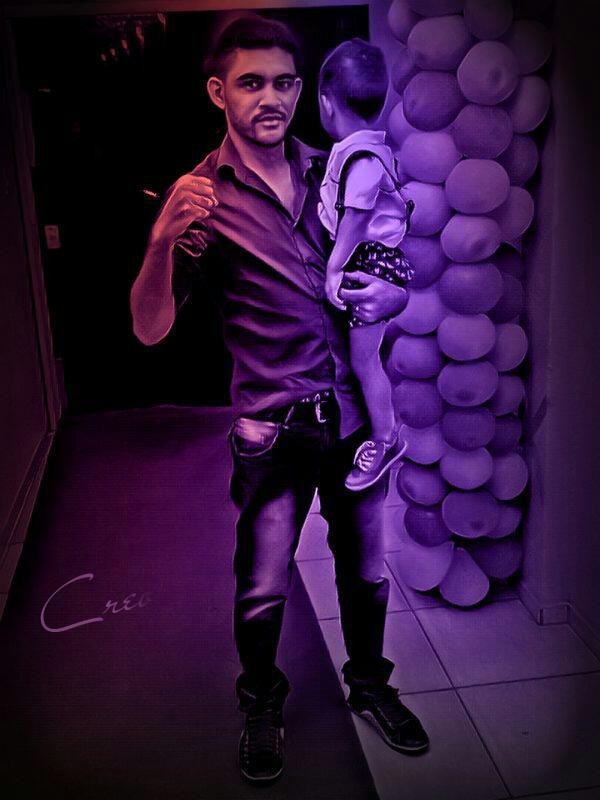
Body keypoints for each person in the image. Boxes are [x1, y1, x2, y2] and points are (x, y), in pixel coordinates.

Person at [130, 14, 429, 785]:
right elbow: (150, 330)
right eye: (252, 82)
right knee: (262, 587)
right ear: (218, 91)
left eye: (285, 82)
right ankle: (261, 707)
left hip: (352, 421)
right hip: (272, 430)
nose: (271, 97)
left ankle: (371, 686)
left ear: (304, 90)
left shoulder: (337, 170)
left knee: (366, 574)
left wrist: (394, 298)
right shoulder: (203, 197)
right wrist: (159, 244)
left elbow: (387, 270)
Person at [318, 38, 415, 493]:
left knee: (365, 359)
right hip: (372, 258)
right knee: (362, 357)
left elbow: (355, 219)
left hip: (370, 261)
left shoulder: (361, 159)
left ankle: (386, 437)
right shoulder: (366, 150)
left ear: (326, 103)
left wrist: (334, 268)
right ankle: (380, 432)